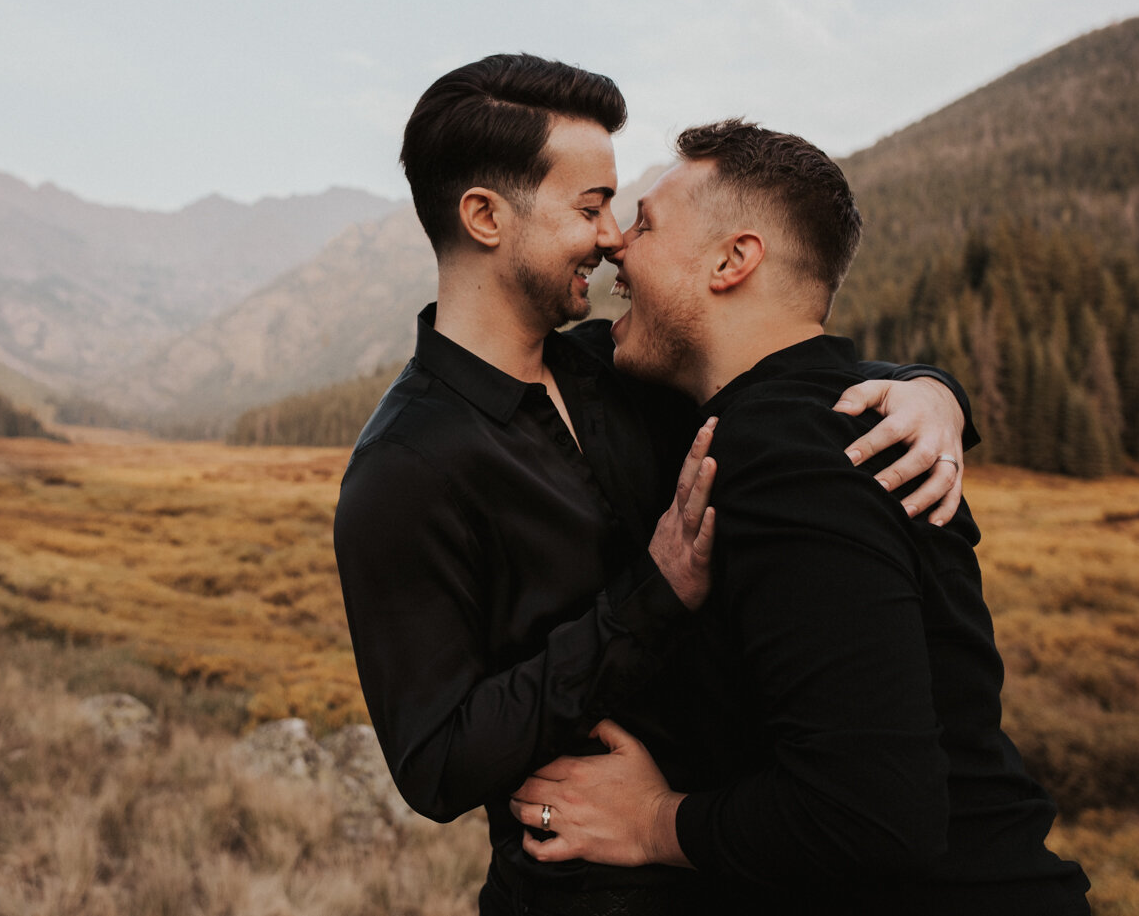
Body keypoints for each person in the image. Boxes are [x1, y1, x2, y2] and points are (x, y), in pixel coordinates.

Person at [333, 55, 976, 915]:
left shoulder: (625, 367)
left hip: (752, 870)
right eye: (591, 207)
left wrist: (932, 390)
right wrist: (650, 597)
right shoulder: (401, 468)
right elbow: (436, 762)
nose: (612, 238)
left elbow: (768, 353)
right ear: (485, 217)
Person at [506, 120, 1090, 913]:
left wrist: (652, 822)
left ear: (732, 260)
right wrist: (934, 385)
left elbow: (871, 817)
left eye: (646, 223)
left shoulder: (787, 456)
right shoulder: (835, 414)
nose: (618, 245)